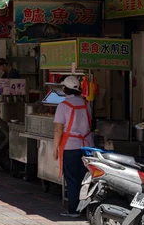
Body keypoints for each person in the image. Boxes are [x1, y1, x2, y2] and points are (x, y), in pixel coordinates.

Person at [53, 76, 93, 217]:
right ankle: (85, 208)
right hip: (87, 146)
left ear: (65, 88)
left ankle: (73, 209)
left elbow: (58, 129)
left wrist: (55, 149)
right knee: (85, 178)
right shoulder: (86, 104)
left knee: (72, 179)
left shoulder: (63, 105)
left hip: (70, 146)